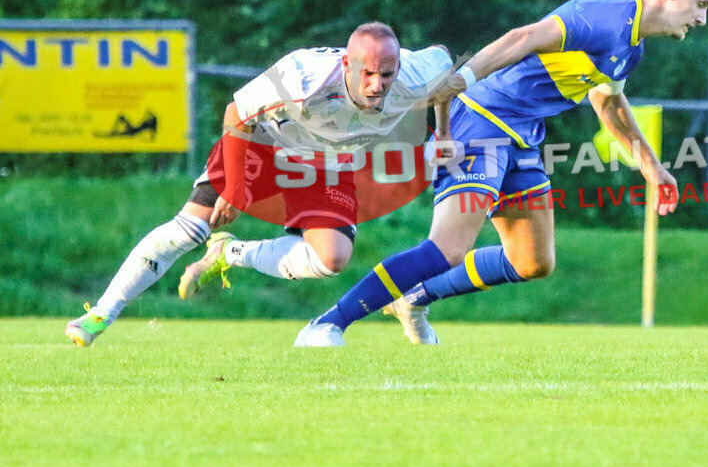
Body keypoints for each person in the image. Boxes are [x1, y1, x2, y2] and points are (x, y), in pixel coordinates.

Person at [294, 0, 708, 347]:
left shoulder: (631, 49)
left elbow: (607, 101)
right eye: (701, 5)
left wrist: (651, 166)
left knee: (533, 262)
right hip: (485, 119)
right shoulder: (602, 16)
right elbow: (523, 37)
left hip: (523, 137)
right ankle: (328, 323)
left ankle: (411, 297)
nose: (702, 19)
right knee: (447, 248)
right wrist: (462, 80)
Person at [65, 22, 459, 347]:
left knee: (331, 259)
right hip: (263, 146)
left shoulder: (412, 72)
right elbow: (236, 113)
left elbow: (445, 77)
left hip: (327, 161)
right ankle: (101, 313)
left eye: (385, 74)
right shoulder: (303, 78)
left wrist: (441, 132)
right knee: (191, 228)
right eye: (367, 74)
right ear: (347, 65)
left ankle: (230, 253)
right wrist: (235, 190)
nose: (376, 85)